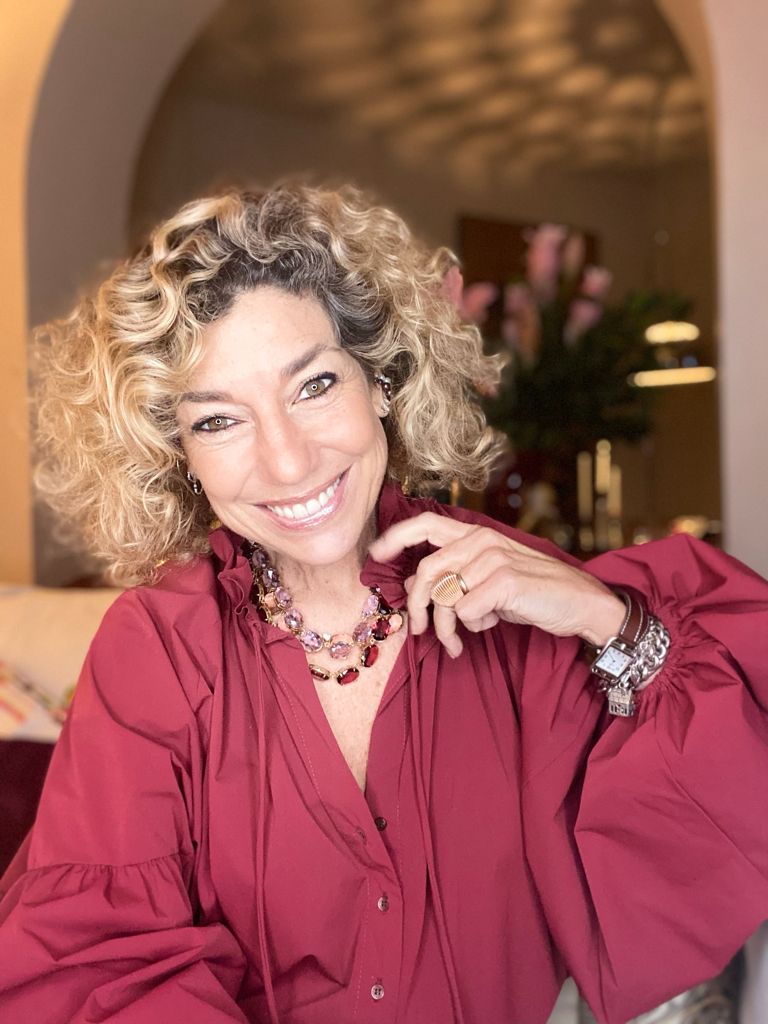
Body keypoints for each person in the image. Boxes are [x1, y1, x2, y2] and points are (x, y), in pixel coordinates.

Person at [0, 184, 766, 1024]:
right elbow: (106, 962)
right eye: (218, 421)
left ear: (383, 381)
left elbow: (707, 830)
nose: (288, 462)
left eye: (315, 385)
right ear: (178, 453)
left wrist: (607, 619)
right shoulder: (156, 649)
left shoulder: (519, 601)